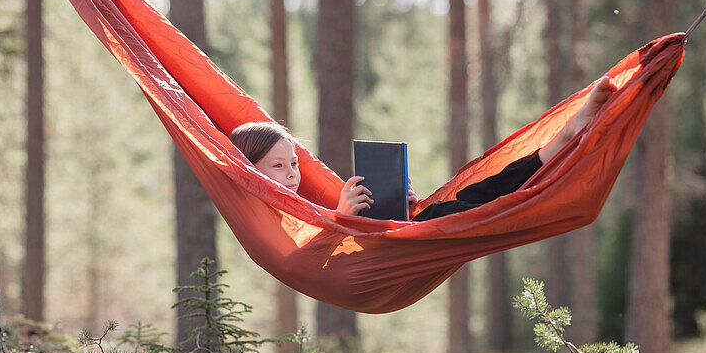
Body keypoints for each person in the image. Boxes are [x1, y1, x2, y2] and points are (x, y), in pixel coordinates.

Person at [229, 75, 615, 221]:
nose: (293, 173)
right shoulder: (263, 218)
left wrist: (393, 203)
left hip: (395, 235)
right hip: (387, 252)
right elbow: (310, 258)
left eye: (293, 163)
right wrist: (344, 216)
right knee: (470, 209)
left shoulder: (299, 205)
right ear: (251, 170)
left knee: (474, 194)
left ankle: (560, 143)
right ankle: (560, 146)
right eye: (277, 166)